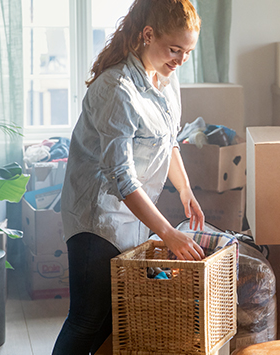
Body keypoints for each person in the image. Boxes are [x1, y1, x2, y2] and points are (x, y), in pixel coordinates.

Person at [52, 1, 205, 353]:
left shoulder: (167, 80)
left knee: (111, 318)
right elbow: (122, 178)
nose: (180, 59)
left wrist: (185, 190)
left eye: (188, 52)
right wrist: (168, 234)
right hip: (98, 218)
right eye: (174, 49)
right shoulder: (116, 89)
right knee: (87, 322)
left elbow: (169, 143)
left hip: (132, 217)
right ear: (147, 34)